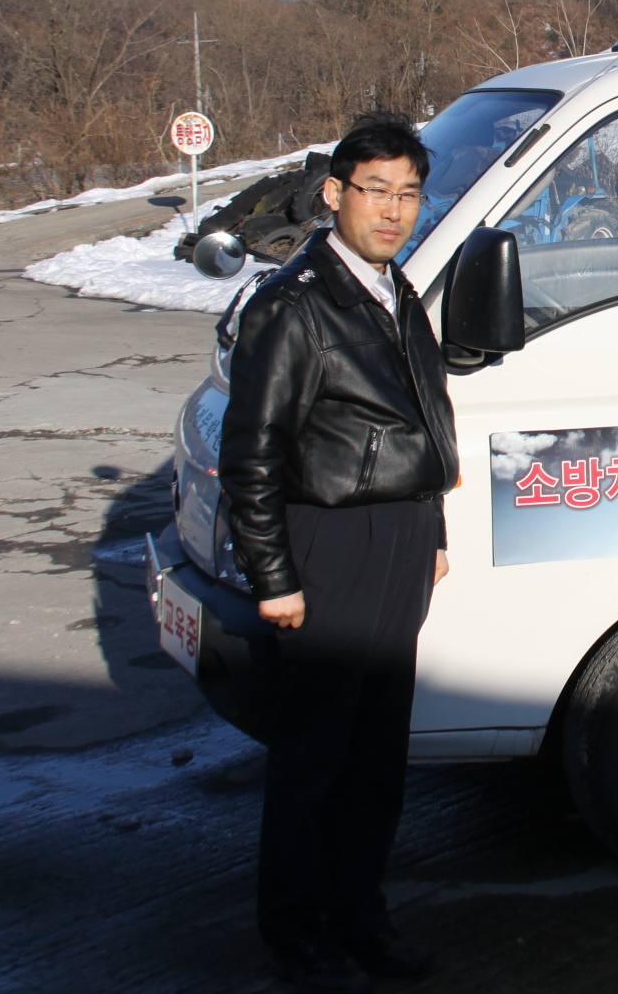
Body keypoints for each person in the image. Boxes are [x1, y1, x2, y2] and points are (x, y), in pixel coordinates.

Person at [219, 111, 455, 992]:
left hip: (401, 540)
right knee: (314, 758)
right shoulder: (294, 305)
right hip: (330, 544)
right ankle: (295, 932)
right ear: (334, 194)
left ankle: (361, 914)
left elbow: (422, 419)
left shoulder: (396, 290)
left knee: (376, 756)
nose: (392, 211)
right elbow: (252, 453)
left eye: (408, 194)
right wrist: (274, 577)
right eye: (374, 191)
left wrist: (432, 530)